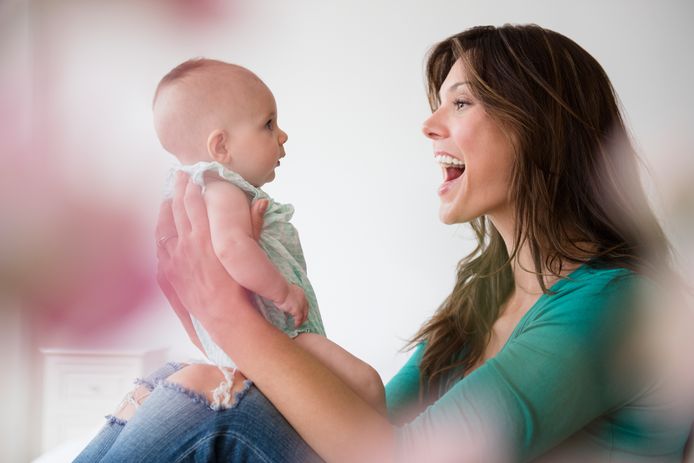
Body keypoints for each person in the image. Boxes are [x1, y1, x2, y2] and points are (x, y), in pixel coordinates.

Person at [76, 24, 693, 462]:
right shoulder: (485, 294)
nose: (429, 125)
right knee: (179, 378)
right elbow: (372, 425)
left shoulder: (615, 304)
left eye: (461, 102)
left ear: (541, 130)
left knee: (207, 409)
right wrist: (221, 321)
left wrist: (228, 318)